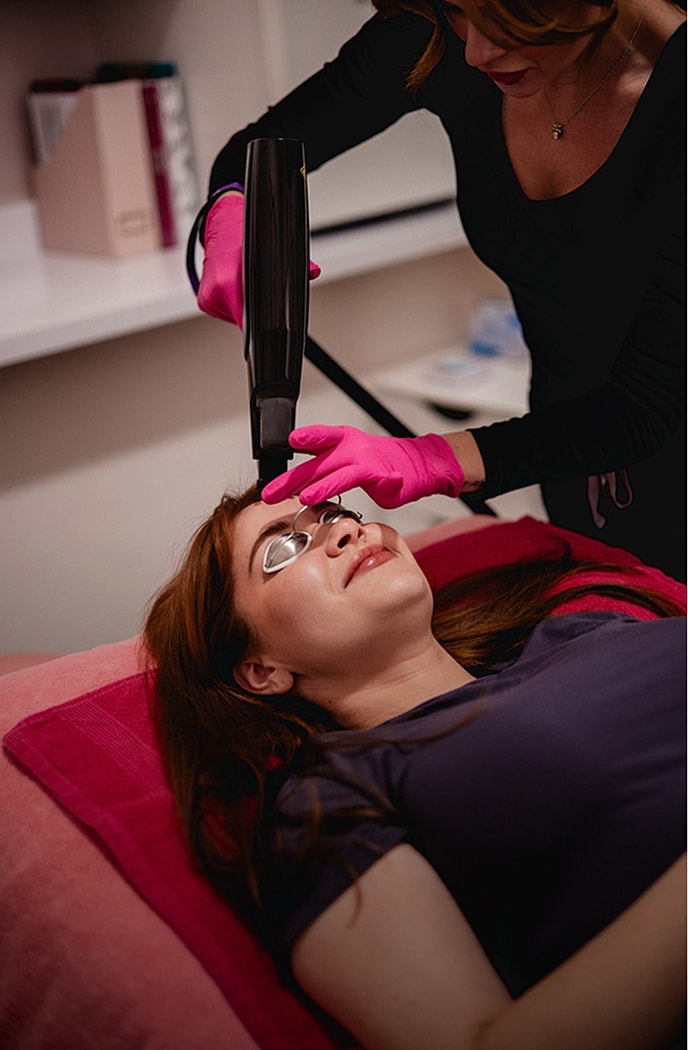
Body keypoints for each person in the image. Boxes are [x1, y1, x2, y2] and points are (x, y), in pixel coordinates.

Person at [143, 486, 686, 1050]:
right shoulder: (332, 797)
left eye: (340, 514)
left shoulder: (577, 633)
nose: (349, 531)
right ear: (261, 669)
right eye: (284, 548)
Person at [192, 0, 686, 581]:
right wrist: (232, 210)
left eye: (504, 15)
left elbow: (646, 404)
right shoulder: (437, 35)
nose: (475, 50)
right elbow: (258, 151)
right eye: (456, 10)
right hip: (569, 462)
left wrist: (430, 458)